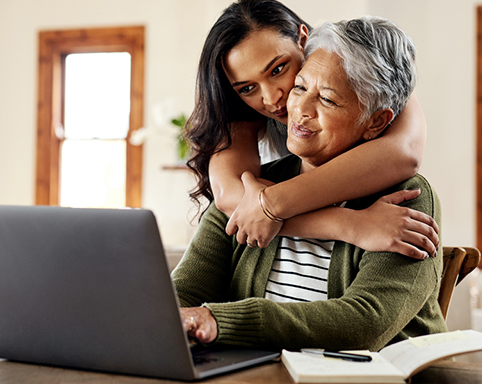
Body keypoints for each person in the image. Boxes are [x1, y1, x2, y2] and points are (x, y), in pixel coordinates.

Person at [173, 16, 447, 351]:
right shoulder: (253, 187)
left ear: (376, 122)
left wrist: (221, 321)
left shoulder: (409, 197)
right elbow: (182, 292)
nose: (296, 108)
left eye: (328, 100)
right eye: (300, 87)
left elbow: (365, 323)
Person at [185, 0, 438, 259]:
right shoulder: (241, 114)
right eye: (248, 88)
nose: (272, 99)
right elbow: (232, 197)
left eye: (278, 69)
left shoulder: (368, 69)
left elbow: (403, 153)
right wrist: (350, 225)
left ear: (302, 40)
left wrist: (272, 203)